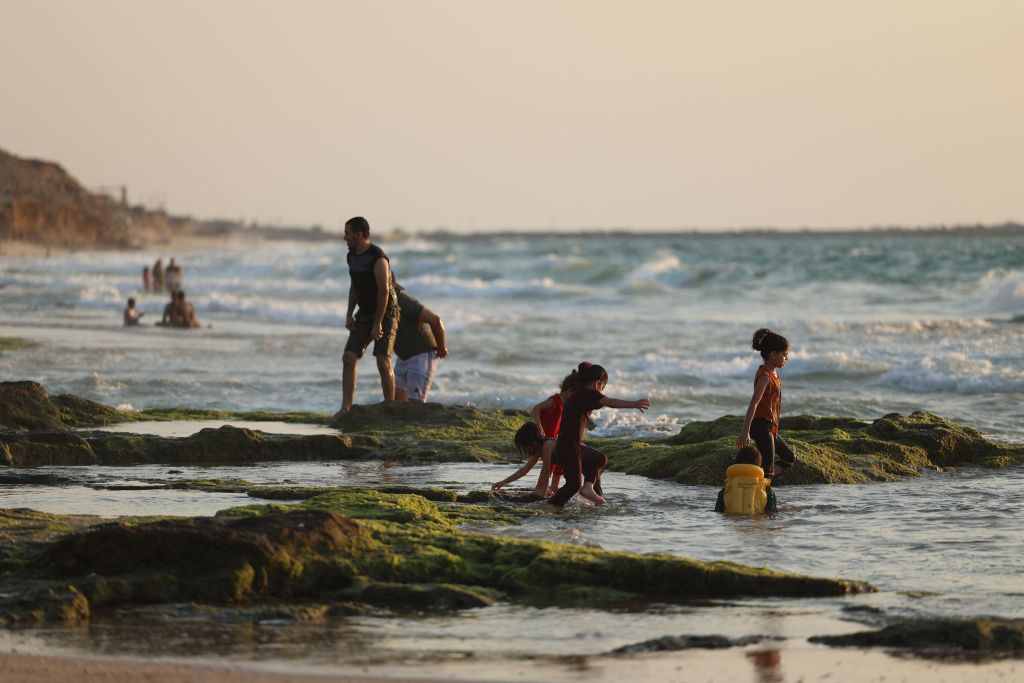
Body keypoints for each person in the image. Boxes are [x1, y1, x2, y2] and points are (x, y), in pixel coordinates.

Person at [547, 363, 651, 508]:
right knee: (573, 485)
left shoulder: (578, 393)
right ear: (597, 384)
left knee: (599, 458)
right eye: (602, 388)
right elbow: (610, 402)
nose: (601, 392)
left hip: (569, 445)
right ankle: (550, 505)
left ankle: (589, 487)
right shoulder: (588, 393)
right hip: (569, 446)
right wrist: (634, 404)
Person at [332, 216, 400, 420]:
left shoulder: (378, 257)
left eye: (347, 233)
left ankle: (390, 409)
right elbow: (355, 286)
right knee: (348, 357)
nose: (344, 237)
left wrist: (378, 322)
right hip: (364, 313)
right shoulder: (351, 255)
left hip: (386, 312)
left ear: (359, 234)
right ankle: (346, 409)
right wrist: (349, 313)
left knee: (382, 361)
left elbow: (384, 293)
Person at [737, 328, 796, 478]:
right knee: (768, 467)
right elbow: (753, 404)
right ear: (773, 354)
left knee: (789, 457)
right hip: (760, 426)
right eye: (784, 354)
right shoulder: (765, 377)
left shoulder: (773, 373)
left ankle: (760, 479)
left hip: (770, 427)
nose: (786, 358)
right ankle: (761, 492)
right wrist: (745, 432)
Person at [530, 367, 585, 493]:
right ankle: (542, 489)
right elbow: (536, 409)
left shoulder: (567, 404)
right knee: (547, 468)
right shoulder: (554, 401)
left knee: (559, 466)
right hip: (546, 441)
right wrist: (539, 426)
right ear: (569, 390)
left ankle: (553, 489)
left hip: (556, 441)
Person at [392, 284, 448, 402]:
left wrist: (442, 347)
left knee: (415, 401)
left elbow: (435, 320)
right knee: (396, 400)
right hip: (403, 355)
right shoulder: (376, 305)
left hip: (422, 353)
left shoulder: (402, 301)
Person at [491, 422, 558, 498]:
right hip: (567, 464)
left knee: (542, 490)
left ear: (531, 442)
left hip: (572, 461)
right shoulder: (539, 450)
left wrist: (542, 492)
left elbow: (546, 470)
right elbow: (524, 470)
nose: (525, 450)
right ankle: (542, 490)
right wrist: (503, 482)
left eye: (524, 447)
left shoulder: (547, 445)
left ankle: (542, 490)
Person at [714, 445, 777, 514]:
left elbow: (718, 512)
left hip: (733, 523)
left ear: (737, 463)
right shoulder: (766, 489)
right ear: (759, 466)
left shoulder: (727, 488)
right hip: (754, 522)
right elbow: (771, 513)